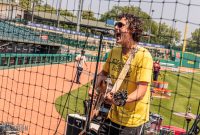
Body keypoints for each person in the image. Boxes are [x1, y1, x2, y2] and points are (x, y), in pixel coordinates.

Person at [89, 13, 153, 135]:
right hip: (113, 115)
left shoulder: (144, 56)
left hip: (133, 121)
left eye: (120, 25)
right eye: (115, 25)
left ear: (132, 30)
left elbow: (141, 91)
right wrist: (94, 87)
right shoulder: (114, 51)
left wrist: (120, 101)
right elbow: (103, 73)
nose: (115, 27)